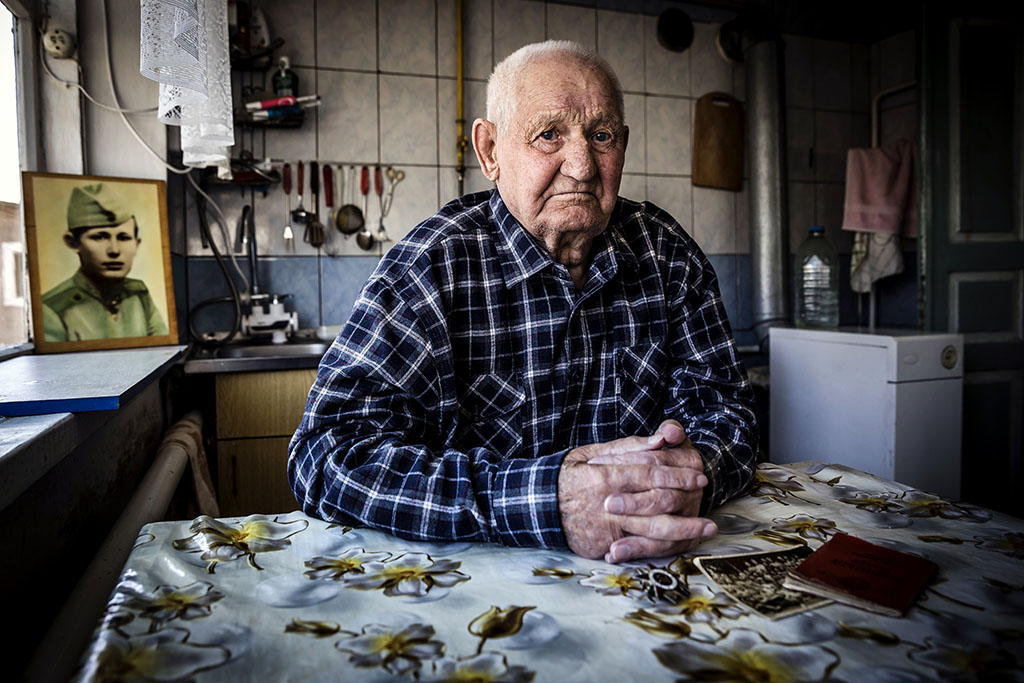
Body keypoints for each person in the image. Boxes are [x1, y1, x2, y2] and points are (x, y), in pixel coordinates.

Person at [289, 41, 757, 564]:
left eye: (601, 136)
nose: (581, 165)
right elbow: (326, 456)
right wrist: (546, 502)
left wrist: (693, 473)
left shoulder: (667, 254)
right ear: (490, 151)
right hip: (479, 598)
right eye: (549, 134)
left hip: (649, 575)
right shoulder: (432, 266)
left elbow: (728, 412)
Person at [41, 183, 168, 342]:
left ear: (137, 244)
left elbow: (160, 352)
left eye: (123, 238)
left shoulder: (139, 295)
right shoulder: (51, 310)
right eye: (99, 237)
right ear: (72, 243)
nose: (114, 250)